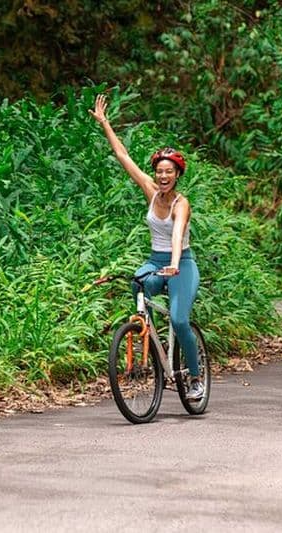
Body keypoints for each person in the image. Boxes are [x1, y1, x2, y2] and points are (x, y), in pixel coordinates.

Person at [90, 94, 204, 401]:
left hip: (183, 264)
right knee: (137, 284)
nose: (163, 176)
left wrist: (175, 264)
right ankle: (152, 343)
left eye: (169, 172)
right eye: (160, 171)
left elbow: (177, 235)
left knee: (180, 320)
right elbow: (123, 157)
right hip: (155, 261)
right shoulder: (151, 192)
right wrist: (105, 124)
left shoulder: (182, 204)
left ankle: (194, 377)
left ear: (178, 175)